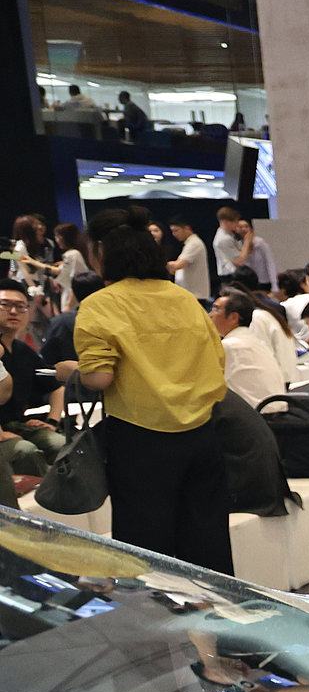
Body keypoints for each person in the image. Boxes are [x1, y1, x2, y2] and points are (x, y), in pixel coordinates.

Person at [60, 206, 232, 572]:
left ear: (102, 251)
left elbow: (100, 378)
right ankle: (216, 624)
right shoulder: (184, 299)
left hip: (141, 442)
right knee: (208, 546)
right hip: (202, 436)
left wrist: (72, 372)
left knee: (147, 553)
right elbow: (218, 361)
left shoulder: (99, 305)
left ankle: (156, 629)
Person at [0, 279, 66, 478]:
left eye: (21, 307)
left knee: (61, 445)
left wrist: (52, 420)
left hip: (18, 424)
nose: (14, 312)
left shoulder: (24, 351)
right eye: (5, 305)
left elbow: (56, 387)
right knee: (25, 451)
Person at [210, 289, 288, 408]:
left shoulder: (230, 346)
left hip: (257, 417)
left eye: (216, 309)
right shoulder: (256, 342)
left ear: (233, 317)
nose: (210, 315)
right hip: (273, 412)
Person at [222, 213, 277, 292]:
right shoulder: (237, 244)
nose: (243, 229)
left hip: (263, 281)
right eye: (240, 227)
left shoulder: (259, 242)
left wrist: (275, 284)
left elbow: (270, 262)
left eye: (246, 226)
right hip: (248, 282)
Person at [168, 218, 209, 299]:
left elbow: (178, 265)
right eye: (172, 231)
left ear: (187, 228)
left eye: (176, 230)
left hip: (195, 294)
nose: (174, 234)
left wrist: (158, 264)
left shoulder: (194, 243)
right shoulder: (189, 243)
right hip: (189, 293)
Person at [51, 222, 87, 314]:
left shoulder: (73, 254)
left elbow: (75, 282)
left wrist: (68, 306)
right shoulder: (75, 253)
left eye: (58, 236)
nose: (56, 240)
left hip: (72, 300)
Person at [212, 206, 244, 282]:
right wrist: (248, 241)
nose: (237, 224)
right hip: (230, 275)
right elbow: (240, 260)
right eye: (235, 221)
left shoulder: (230, 235)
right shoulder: (224, 238)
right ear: (225, 222)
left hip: (232, 274)